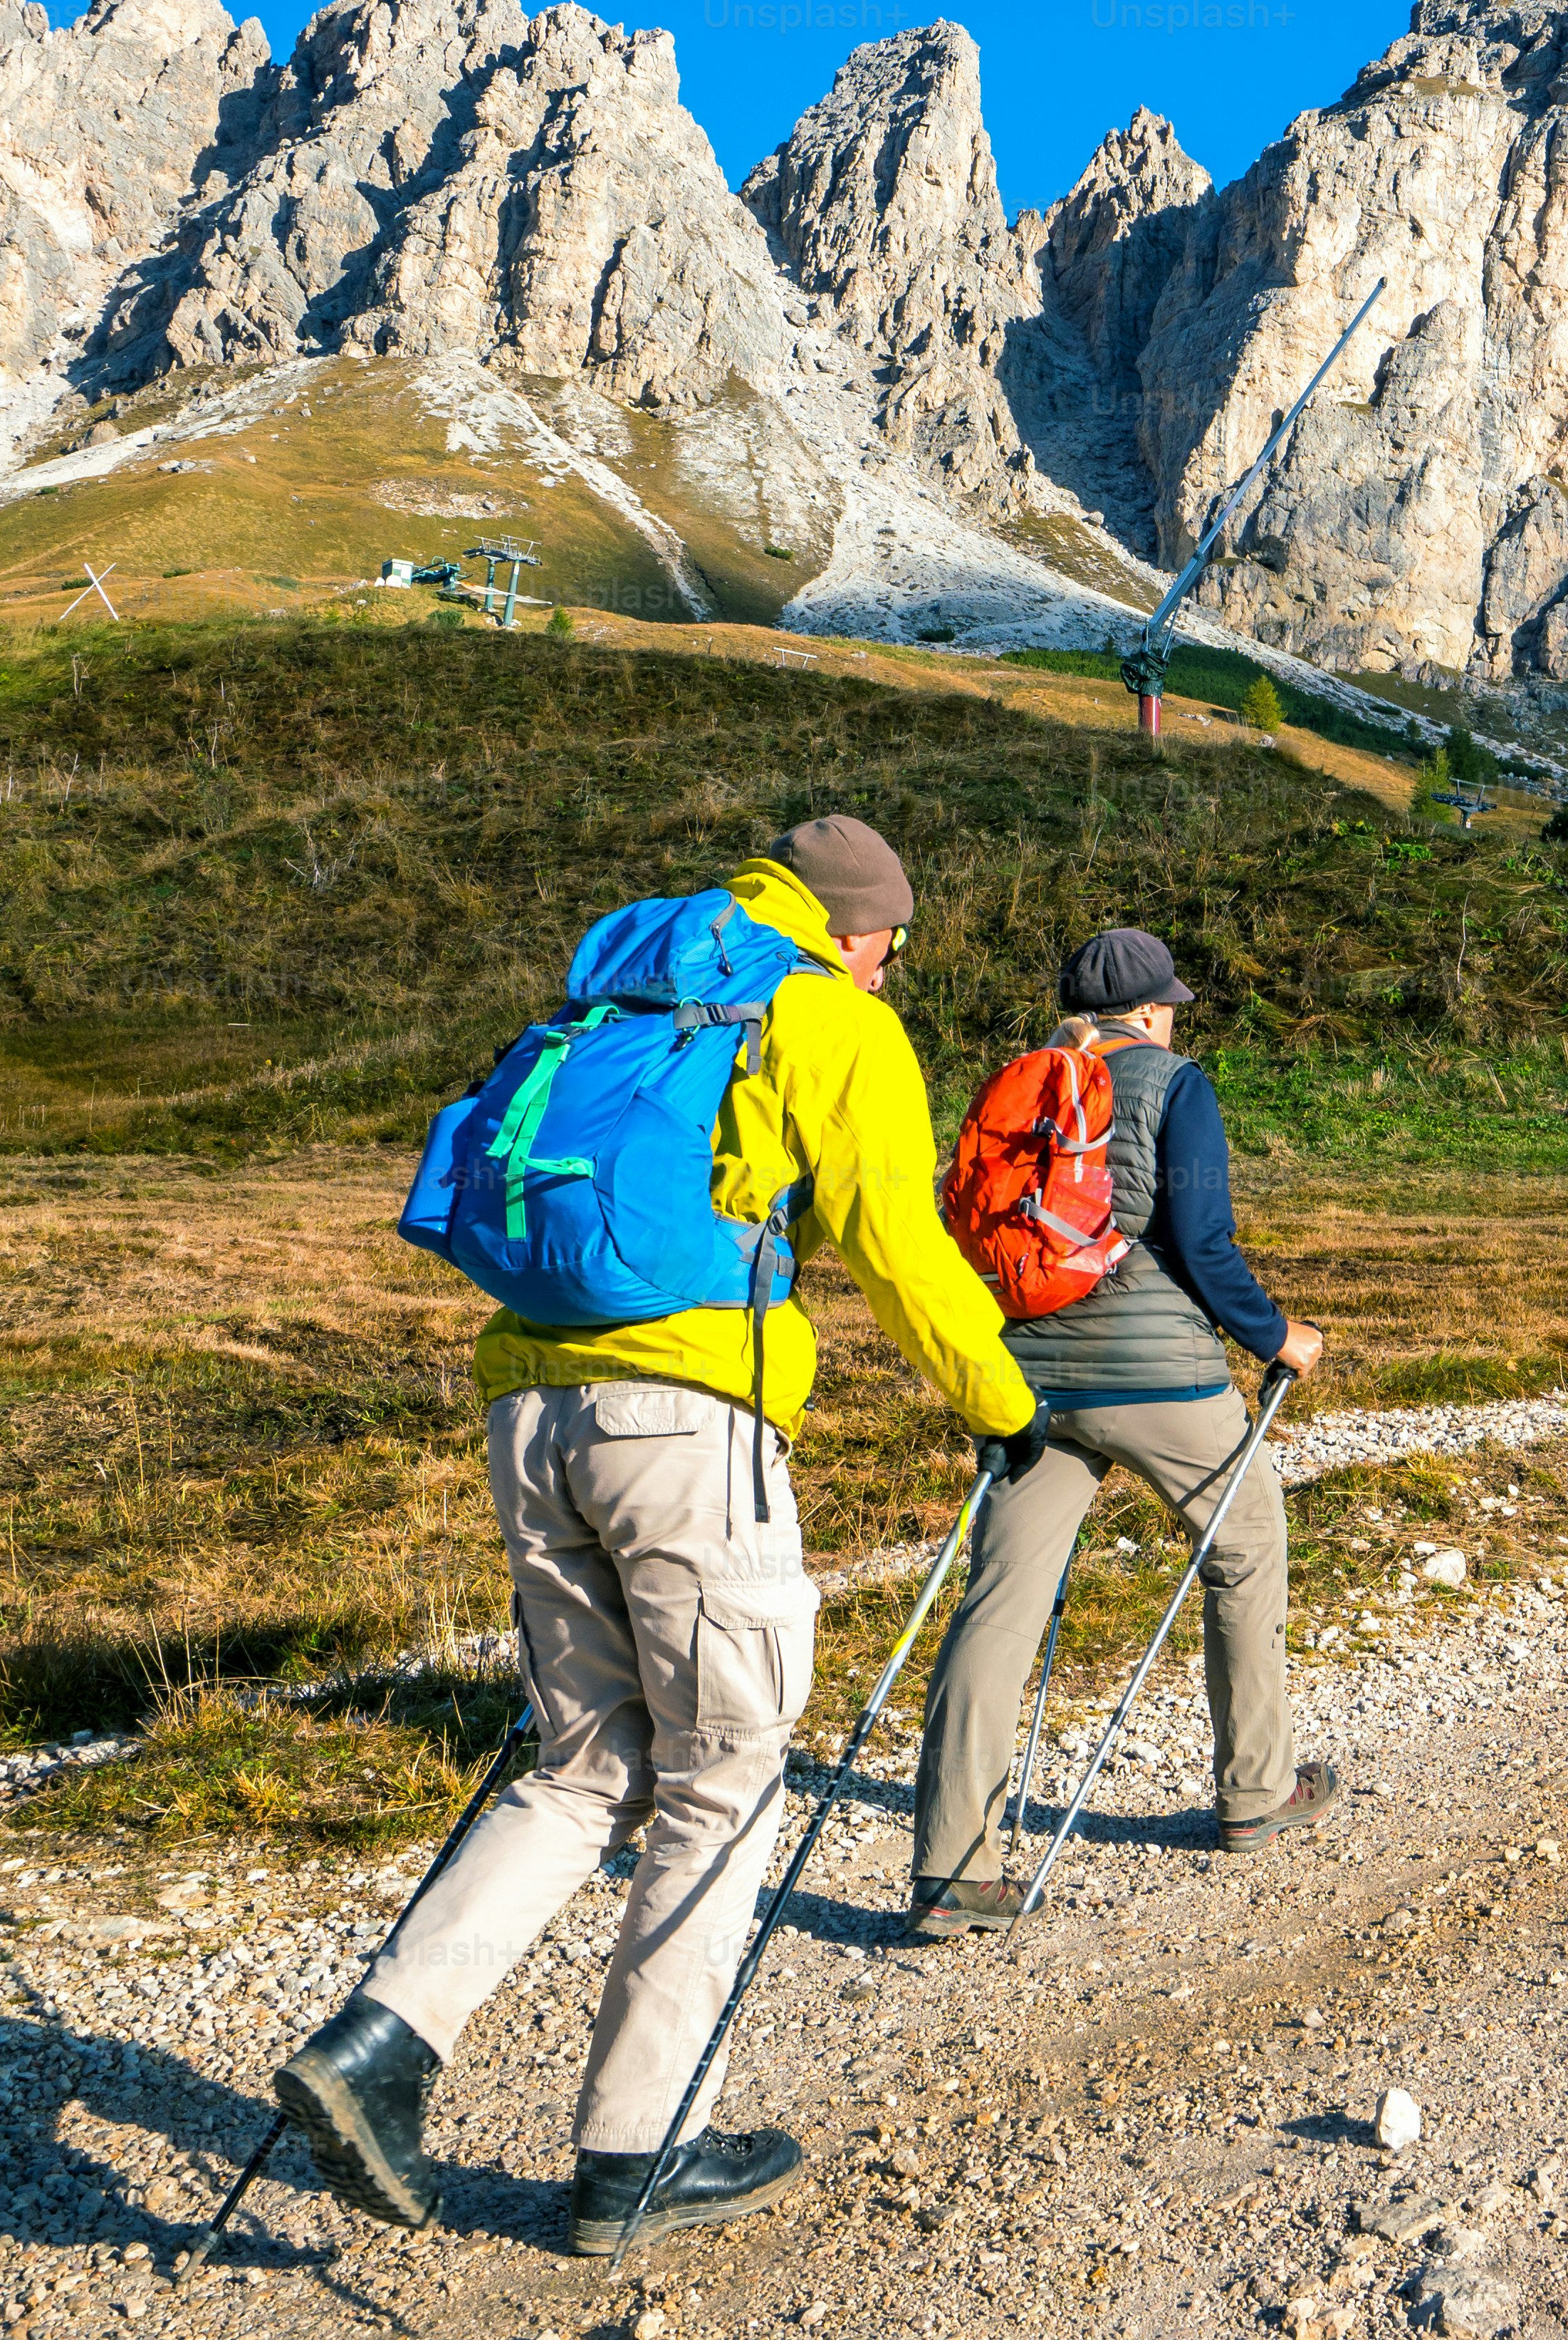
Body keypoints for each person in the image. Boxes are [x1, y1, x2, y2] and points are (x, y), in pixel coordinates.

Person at [276, 816, 1045, 2255]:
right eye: (891, 944)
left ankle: (379, 2049)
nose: (887, 967)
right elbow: (894, 1233)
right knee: (724, 1771)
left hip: (532, 1406)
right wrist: (1003, 1405)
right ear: (864, 931)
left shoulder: (624, 992)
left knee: (582, 1765)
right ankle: (641, 2151)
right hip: (687, 1423)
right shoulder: (830, 1018)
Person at [905, 926, 1337, 1936]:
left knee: (999, 1601)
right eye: (1170, 1004)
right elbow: (1202, 1240)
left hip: (1028, 1377)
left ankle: (950, 1867)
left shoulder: (1029, 1079)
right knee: (1246, 1543)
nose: (1175, 1016)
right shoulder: (1174, 1083)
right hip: (1157, 1375)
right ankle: (1256, 1793)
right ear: (1149, 1011)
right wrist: (1279, 1335)